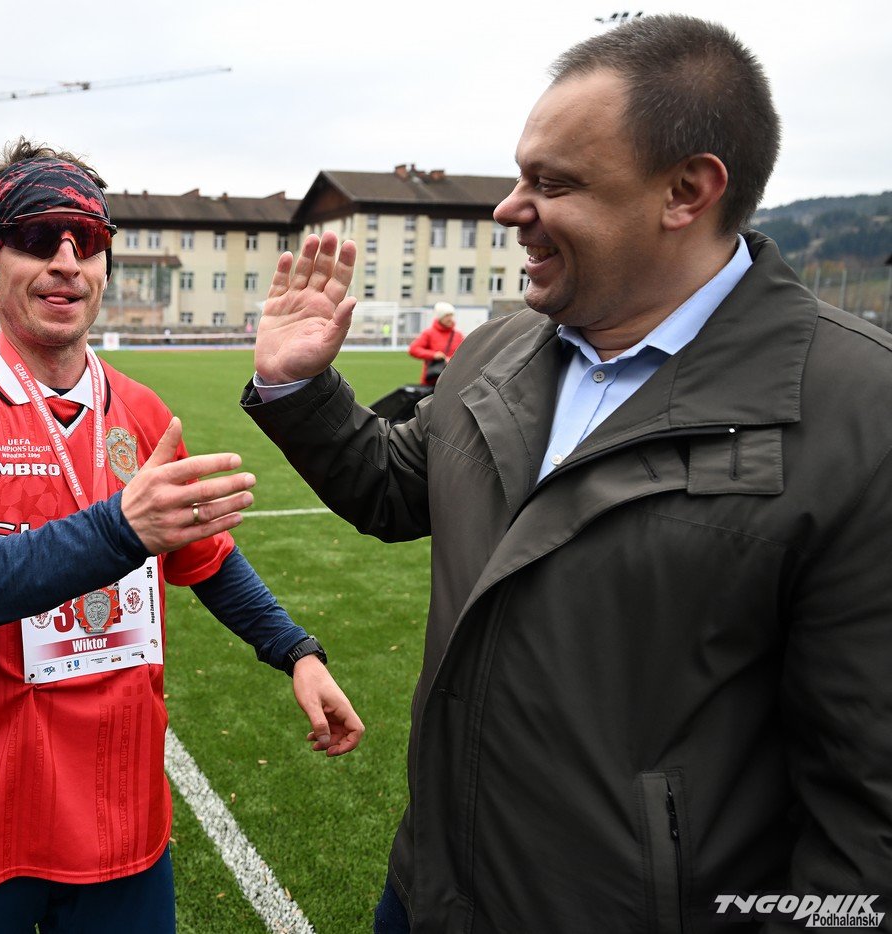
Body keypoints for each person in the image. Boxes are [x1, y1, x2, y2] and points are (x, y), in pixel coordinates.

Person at [243, 15, 892, 933]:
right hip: (428, 894)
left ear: (687, 192)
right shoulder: (500, 349)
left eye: (553, 184)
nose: (510, 209)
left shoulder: (860, 413)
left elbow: (868, 816)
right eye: (521, 176)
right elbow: (393, 489)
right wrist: (298, 388)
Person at [0, 138, 362, 933]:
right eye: (38, 237)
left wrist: (295, 650)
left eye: (89, 240)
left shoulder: (138, 411)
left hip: (118, 819)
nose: (67, 262)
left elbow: (208, 558)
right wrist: (119, 528)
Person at [405, 301, 462, 388]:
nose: (450, 318)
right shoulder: (429, 333)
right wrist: (434, 355)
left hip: (453, 380)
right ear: (440, 317)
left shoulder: (458, 335)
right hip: (433, 381)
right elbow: (413, 349)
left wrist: (451, 359)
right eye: (446, 316)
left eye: (451, 315)